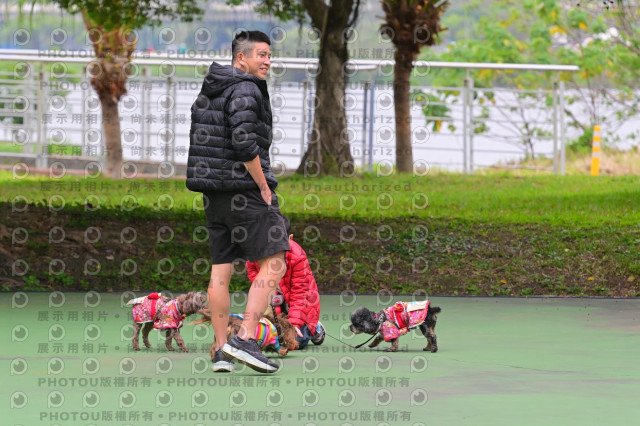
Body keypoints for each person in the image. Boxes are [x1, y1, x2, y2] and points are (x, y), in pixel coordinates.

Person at [186, 30, 289, 374]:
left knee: (221, 268)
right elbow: (244, 142)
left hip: (214, 193)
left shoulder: (211, 88)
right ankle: (244, 338)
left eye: (269, 55)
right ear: (241, 58)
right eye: (261, 54)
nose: (267, 61)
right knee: (275, 261)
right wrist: (262, 185)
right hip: (244, 189)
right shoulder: (245, 87)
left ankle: (220, 350)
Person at [247, 227, 325, 350]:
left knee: (294, 341)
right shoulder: (256, 251)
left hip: (301, 303)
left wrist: (293, 325)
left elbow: (300, 295)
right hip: (274, 299)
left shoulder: (297, 256)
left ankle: (314, 327)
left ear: (290, 238)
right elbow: (252, 270)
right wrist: (267, 291)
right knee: (266, 336)